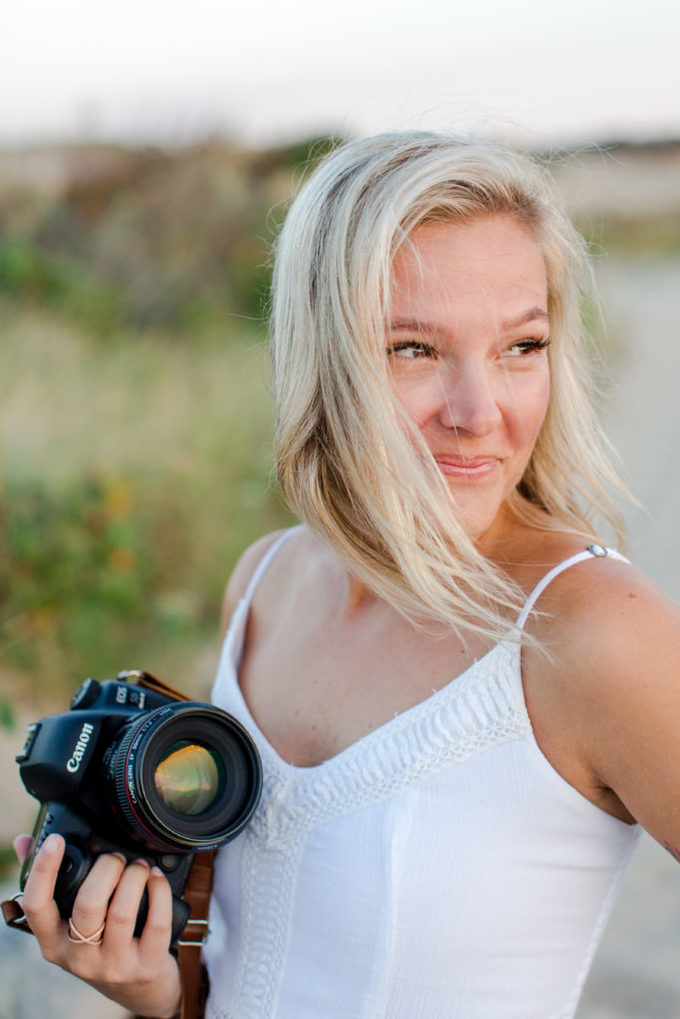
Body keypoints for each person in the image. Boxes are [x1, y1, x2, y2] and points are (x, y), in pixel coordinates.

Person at [13, 131, 680, 1018]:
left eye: (522, 345)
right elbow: (247, 973)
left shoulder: (593, 629)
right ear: (326, 353)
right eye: (414, 349)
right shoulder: (265, 582)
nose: (480, 413)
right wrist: (157, 989)